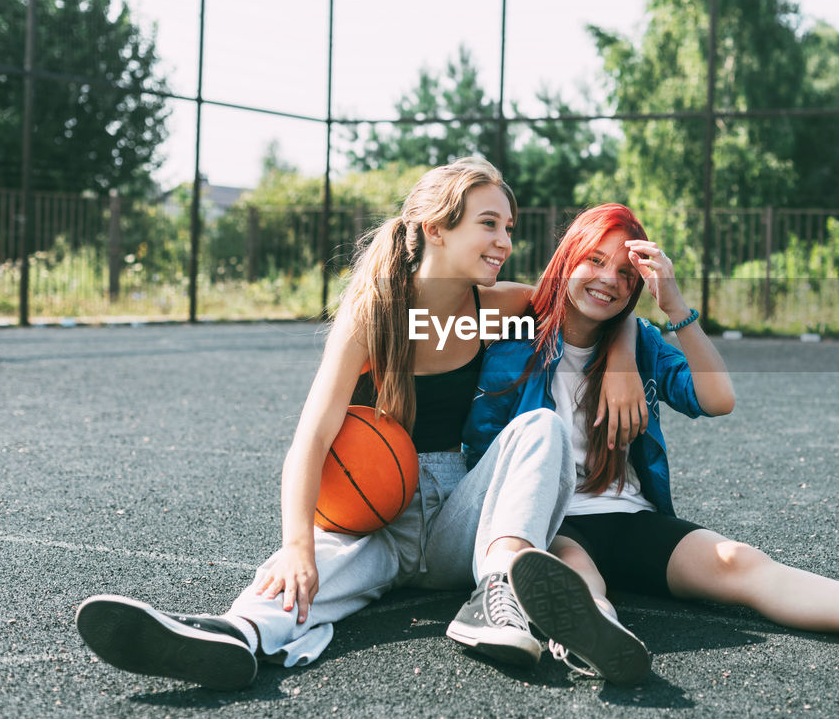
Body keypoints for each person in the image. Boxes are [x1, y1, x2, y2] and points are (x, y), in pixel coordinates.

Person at [75, 159, 649, 690]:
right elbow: (312, 438)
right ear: (436, 228)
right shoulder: (373, 315)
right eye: (490, 224)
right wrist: (297, 544)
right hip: (375, 522)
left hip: (460, 519)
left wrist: (622, 355)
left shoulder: (496, 307)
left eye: (509, 227)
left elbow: (591, 301)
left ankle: (497, 593)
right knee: (300, 575)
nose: (506, 241)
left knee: (540, 427)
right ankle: (234, 637)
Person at [462, 203, 839, 685]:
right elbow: (486, 444)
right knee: (576, 573)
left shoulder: (640, 343)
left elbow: (718, 397)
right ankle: (592, 637)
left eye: (624, 274)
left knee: (738, 561)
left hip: (630, 516)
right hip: (554, 518)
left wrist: (675, 307)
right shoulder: (511, 340)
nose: (607, 280)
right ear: (568, 257)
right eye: (595, 260)